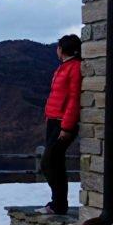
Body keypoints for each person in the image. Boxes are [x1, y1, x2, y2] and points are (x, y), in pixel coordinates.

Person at [37, 34, 83, 215]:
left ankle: (58, 204)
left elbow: (74, 99)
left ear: (63, 49)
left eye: (58, 47)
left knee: (48, 162)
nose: (56, 50)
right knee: (55, 163)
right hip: (53, 121)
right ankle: (58, 204)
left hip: (62, 123)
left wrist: (67, 127)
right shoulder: (64, 67)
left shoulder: (74, 68)